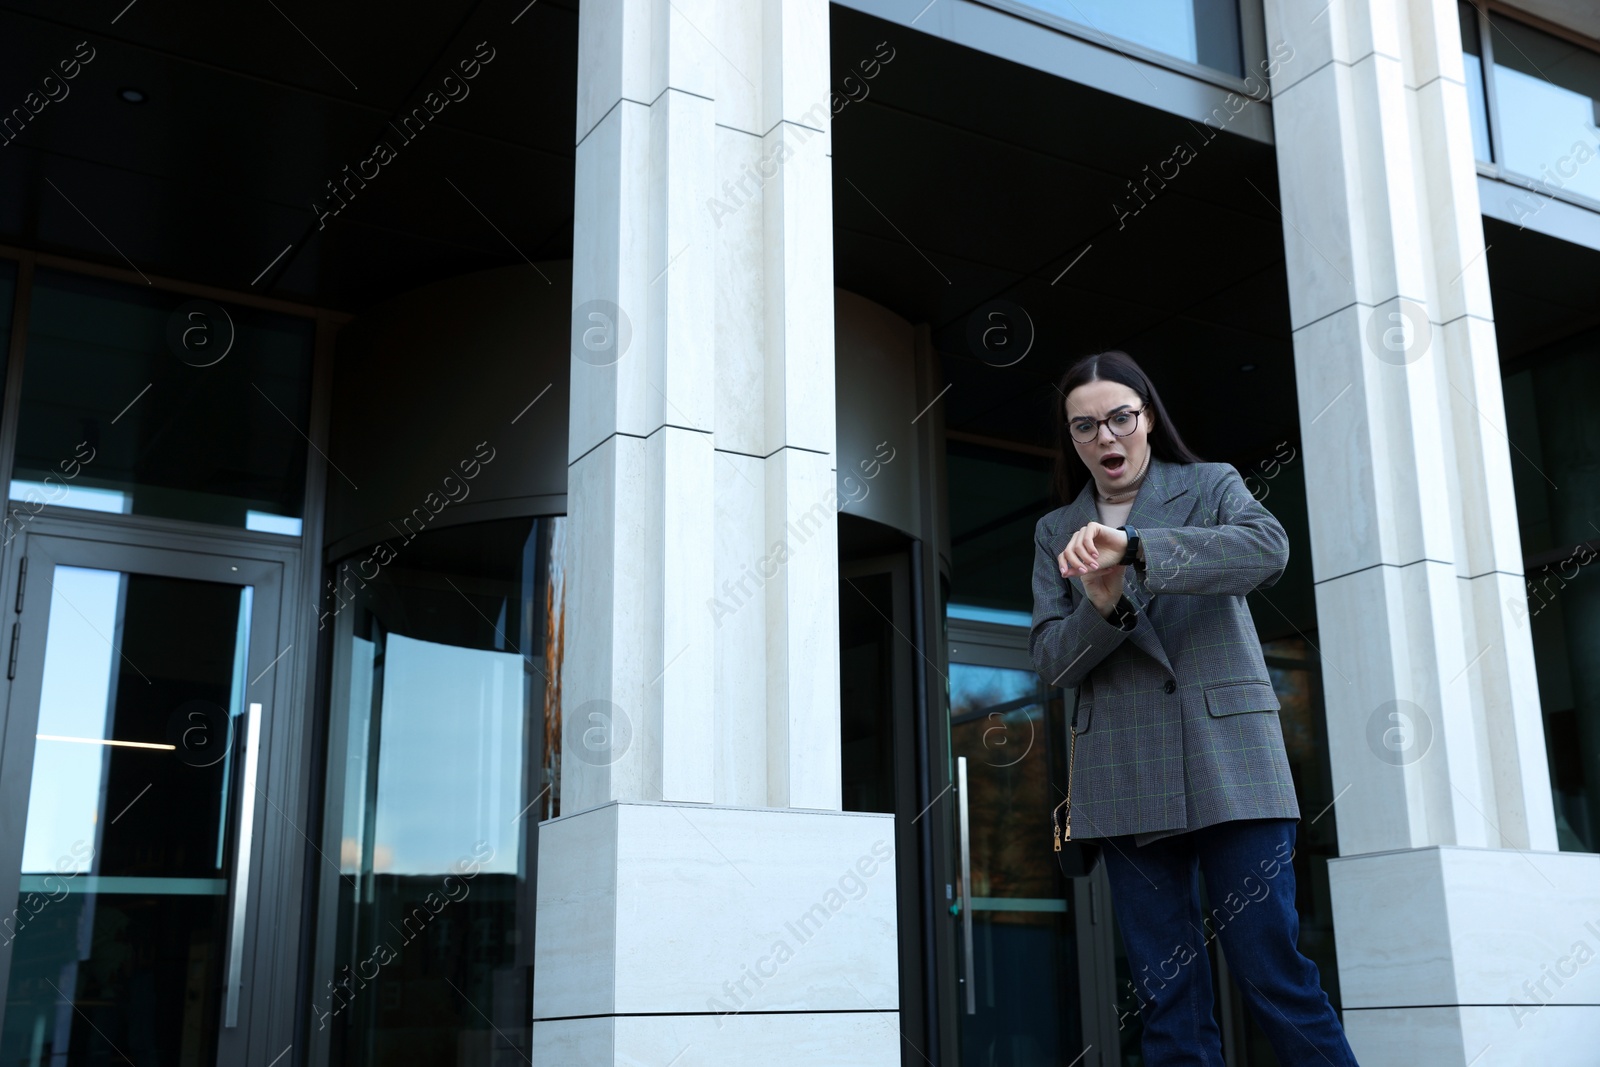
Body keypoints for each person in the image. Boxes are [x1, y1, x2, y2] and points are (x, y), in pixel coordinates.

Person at [1029, 349, 1361, 1066]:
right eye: (1084, 426)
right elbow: (1053, 661)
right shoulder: (1056, 532)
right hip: (1123, 775)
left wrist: (1137, 548)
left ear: (1147, 416)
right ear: (1072, 437)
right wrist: (1104, 607)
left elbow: (1265, 549)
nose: (1105, 438)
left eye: (1120, 417)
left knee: (1273, 972)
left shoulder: (1210, 485)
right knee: (1166, 992)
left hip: (1232, 765)